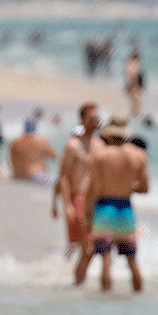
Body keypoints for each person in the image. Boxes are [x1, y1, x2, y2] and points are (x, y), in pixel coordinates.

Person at [83, 116, 149, 292]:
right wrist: (126, 188)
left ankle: (106, 304)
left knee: (105, 260)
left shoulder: (99, 155)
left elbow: (93, 188)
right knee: (132, 260)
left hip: (105, 207)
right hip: (125, 208)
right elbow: (144, 188)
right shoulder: (138, 155)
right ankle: (139, 299)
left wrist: (87, 214)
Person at [54, 103, 101, 263]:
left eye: (98, 118)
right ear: (82, 120)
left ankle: (65, 270)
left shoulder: (100, 144)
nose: (96, 122)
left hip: (96, 200)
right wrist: (66, 204)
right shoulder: (73, 145)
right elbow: (63, 176)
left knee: (90, 243)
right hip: (78, 198)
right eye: (92, 118)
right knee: (81, 243)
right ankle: (66, 272)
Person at [10, 113, 58, 183]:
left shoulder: (15, 142)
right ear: (35, 126)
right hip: (36, 176)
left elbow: (12, 161)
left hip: (19, 176)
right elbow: (54, 156)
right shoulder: (42, 141)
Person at [124, 50, 146, 119]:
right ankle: (136, 116)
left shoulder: (131, 63)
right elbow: (132, 75)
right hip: (134, 85)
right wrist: (133, 85)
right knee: (137, 102)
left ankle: (135, 116)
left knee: (136, 102)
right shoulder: (132, 64)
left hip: (135, 85)